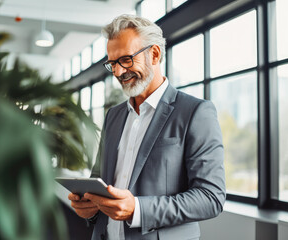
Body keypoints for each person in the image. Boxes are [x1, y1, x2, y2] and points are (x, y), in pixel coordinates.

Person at [68, 14, 225, 240]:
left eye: (126, 60)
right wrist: (89, 206)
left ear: (154, 54)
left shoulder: (195, 112)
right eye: (112, 63)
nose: (119, 72)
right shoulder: (114, 115)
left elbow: (211, 197)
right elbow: (99, 179)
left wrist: (138, 210)